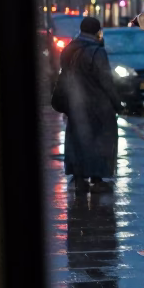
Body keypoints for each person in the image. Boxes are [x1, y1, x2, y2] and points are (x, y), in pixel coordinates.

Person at [52, 15, 121, 193]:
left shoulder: (68, 50)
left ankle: (78, 175)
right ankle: (97, 176)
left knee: (76, 138)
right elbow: (106, 81)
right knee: (100, 140)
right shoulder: (97, 52)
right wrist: (117, 103)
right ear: (97, 31)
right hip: (98, 105)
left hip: (75, 103)